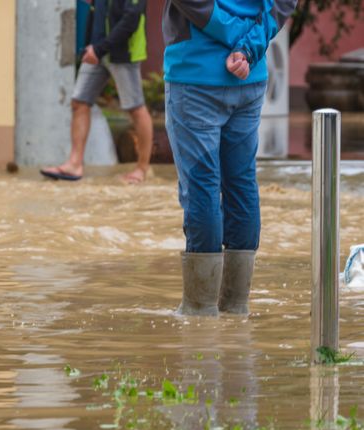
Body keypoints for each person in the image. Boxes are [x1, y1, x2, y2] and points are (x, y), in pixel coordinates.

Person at [163, 0, 296, 316]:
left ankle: (199, 310)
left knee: (202, 186)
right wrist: (248, 47)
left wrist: (236, 37)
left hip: (196, 75)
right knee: (241, 183)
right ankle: (236, 308)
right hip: (248, 76)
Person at [41, 0, 153, 184]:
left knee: (135, 107)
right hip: (97, 51)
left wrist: (100, 48)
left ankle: (142, 168)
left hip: (123, 52)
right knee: (79, 102)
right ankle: (74, 164)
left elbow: (131, 19)